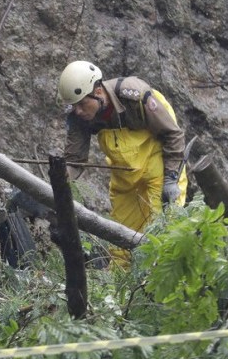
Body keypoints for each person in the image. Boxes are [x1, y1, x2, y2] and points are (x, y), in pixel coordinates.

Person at [56, 60, 188, 258]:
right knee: (120, 244)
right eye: (74, 106)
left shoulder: (134, 96)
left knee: (164, 235)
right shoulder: (78, 117)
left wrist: (171, 179)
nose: (79, 111)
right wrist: (60, 181)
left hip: (159, 167)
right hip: (125, 178)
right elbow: (74, 161)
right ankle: (126, 286)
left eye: (83, 103)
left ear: (98, 91)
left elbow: (173, 135)